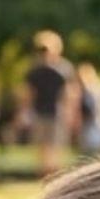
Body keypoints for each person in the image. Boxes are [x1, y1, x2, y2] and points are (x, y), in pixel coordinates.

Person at [20, 30, 77, 177]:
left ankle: (54, 175)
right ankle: (44, 175)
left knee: (56, 146)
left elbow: (69, 93)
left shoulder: (64, 69)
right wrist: (24, 112)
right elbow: (29, 93)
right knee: (42, 147)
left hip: (58, 113)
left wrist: (70, 112)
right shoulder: (34, 70)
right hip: (40, 112)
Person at [76, 61, 100, 156]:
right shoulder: (82, 90)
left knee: (98, 148)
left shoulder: (97, 89)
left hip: (96, 123)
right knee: (86, 149)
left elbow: (99, 107)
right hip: (87, 124)